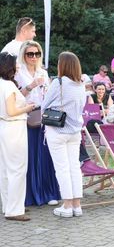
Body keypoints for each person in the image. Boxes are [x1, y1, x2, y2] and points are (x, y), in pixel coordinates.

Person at [15, 40, 61, 206]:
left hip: (43, 116)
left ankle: (48, 193)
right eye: (30, 54)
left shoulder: (43, 72)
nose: (34, 57)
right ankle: (30, 194)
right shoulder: (18, 73)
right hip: (26, 117)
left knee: (45, 155)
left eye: (37, 54)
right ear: (24, 55)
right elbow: (15, 96)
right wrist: (31, 85)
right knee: (30, 155)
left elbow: (48, 94)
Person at [42, 51, 87, 218]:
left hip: (57, 130)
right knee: (74, 167)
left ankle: (67, 205)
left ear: (63, 65)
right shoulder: (81, 84)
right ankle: (77, 205)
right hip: (75, 131)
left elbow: (44, 105)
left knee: (62, 168)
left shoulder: (58, 82)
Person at [0, 52, 36, 221]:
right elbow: (12, 111)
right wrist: (28, 108)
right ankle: (14, 210)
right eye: (15, 63)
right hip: (14, 128)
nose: (18, 66)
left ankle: (9, 205)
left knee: (5, 169)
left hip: (4, 127)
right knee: (17, 169)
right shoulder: (8, 85)